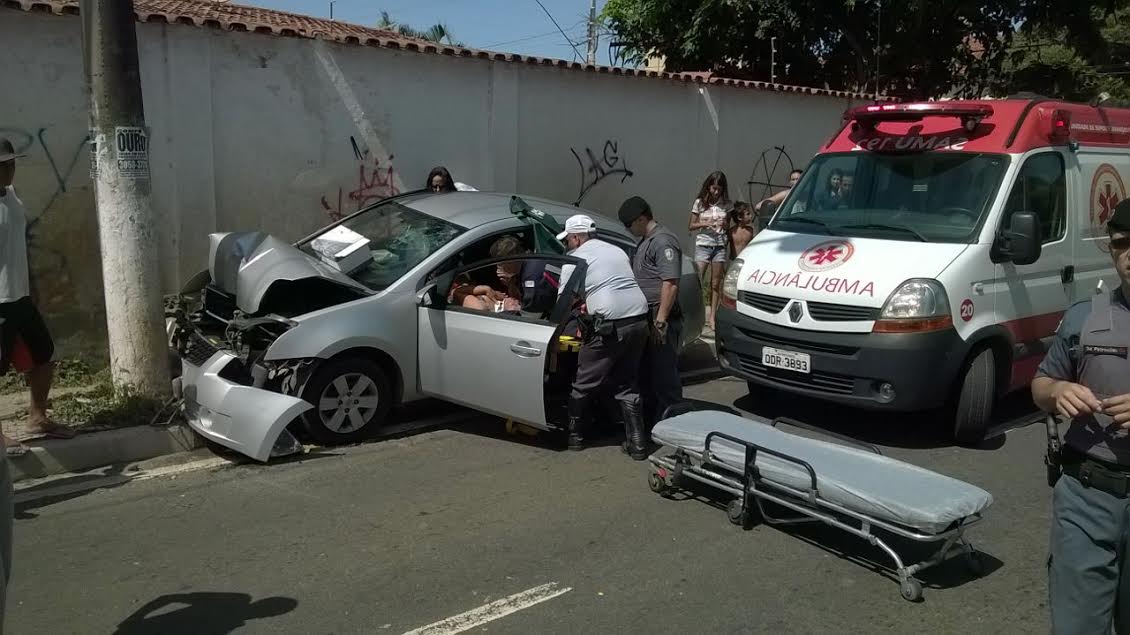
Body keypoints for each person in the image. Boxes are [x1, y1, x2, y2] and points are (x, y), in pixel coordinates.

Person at [1032, 198, 1130, 633]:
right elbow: (1041, 384)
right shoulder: (1084, 317)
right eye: (1122, 244)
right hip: (1088, 494)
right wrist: (1056, 391)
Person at [0, 138, 74, 457]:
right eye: (3, 165)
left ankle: (37, 417)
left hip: (21, 297)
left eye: (12, 163)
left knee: (44, 356)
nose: (9, 169)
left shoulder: (12, 195)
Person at [556, 214, 650, 459]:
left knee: (584, 381)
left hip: (609, 326)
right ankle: (638, 444)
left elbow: (564, 302)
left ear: (576, 238)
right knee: (627, 381)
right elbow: (612, 284)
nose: (567, 244)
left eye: (568, 239)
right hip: (639, 319)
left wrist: (556, 330)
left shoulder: (574, 259)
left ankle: (575, 436)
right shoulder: (616, 250)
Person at [619, 196, 683, 429]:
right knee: (649, 374)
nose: (628, 230)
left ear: (641, 218)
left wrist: (661, 321)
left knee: (665, 377)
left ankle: (675, 428)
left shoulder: (662, 241)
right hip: (649, 315)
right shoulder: (647, 240)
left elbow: (670, 283)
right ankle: (655, 425)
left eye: (629, 225)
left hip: (660, 316)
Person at [688, 171, 730, 331]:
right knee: (698, 281)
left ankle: (712, 316)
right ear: (708, 187)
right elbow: (691, 225)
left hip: (719, 245)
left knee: (715, 282)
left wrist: (723, 222)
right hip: (704, 244)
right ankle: (694, 315)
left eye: (719, 189)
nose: (716, 192)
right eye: (713, 188)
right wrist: (705, 222)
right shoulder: (700, 203)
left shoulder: (726, 204)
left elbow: (727, 226)